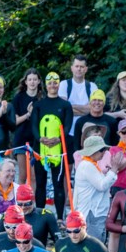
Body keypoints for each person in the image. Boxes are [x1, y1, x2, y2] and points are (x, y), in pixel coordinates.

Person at [32, 71, 74, 220]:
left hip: (59, 148)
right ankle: (39, 216)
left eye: (55, 83)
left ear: (58, 84)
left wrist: (58, 139)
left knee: (58, 184)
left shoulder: (65, 105)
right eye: (50, 83)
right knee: (41, 183)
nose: (52, 85)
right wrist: (40, 138)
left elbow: (68, 126)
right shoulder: (39, 105)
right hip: (41, 149)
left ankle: (60, 218)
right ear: (46, 85)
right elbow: (34, 126)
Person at [75, 135, 125, 242]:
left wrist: (109, 172)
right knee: (95, 245)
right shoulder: (87, 166)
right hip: (92, 214)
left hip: (93, 213)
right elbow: (102, 186)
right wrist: (114, 168)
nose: (105, 152)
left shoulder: (90, 164)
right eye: (102, 150)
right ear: (93, 151)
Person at [11, 69, 41, 184]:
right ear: (26, 82)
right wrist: (28, 114)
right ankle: (20, 200)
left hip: (37, 140)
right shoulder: (18, 98)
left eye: (34, 79)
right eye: (30, 80)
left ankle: (32, 201)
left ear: (38, 81)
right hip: (21, 139)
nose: (32, 82)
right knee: (23, 175)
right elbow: (14, 121)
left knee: (34, 175)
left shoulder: (41, 99)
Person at [58, 55, 99, 136]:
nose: (79, 69)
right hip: (68, 132)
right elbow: (63, 110)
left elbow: (93, 110)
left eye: (81, 66)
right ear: (72, 68)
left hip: (88, 133)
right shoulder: (64, 84)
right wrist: (86, 110)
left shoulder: (92, 86)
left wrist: (70, 106)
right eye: (76, 66)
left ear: (86, 69)